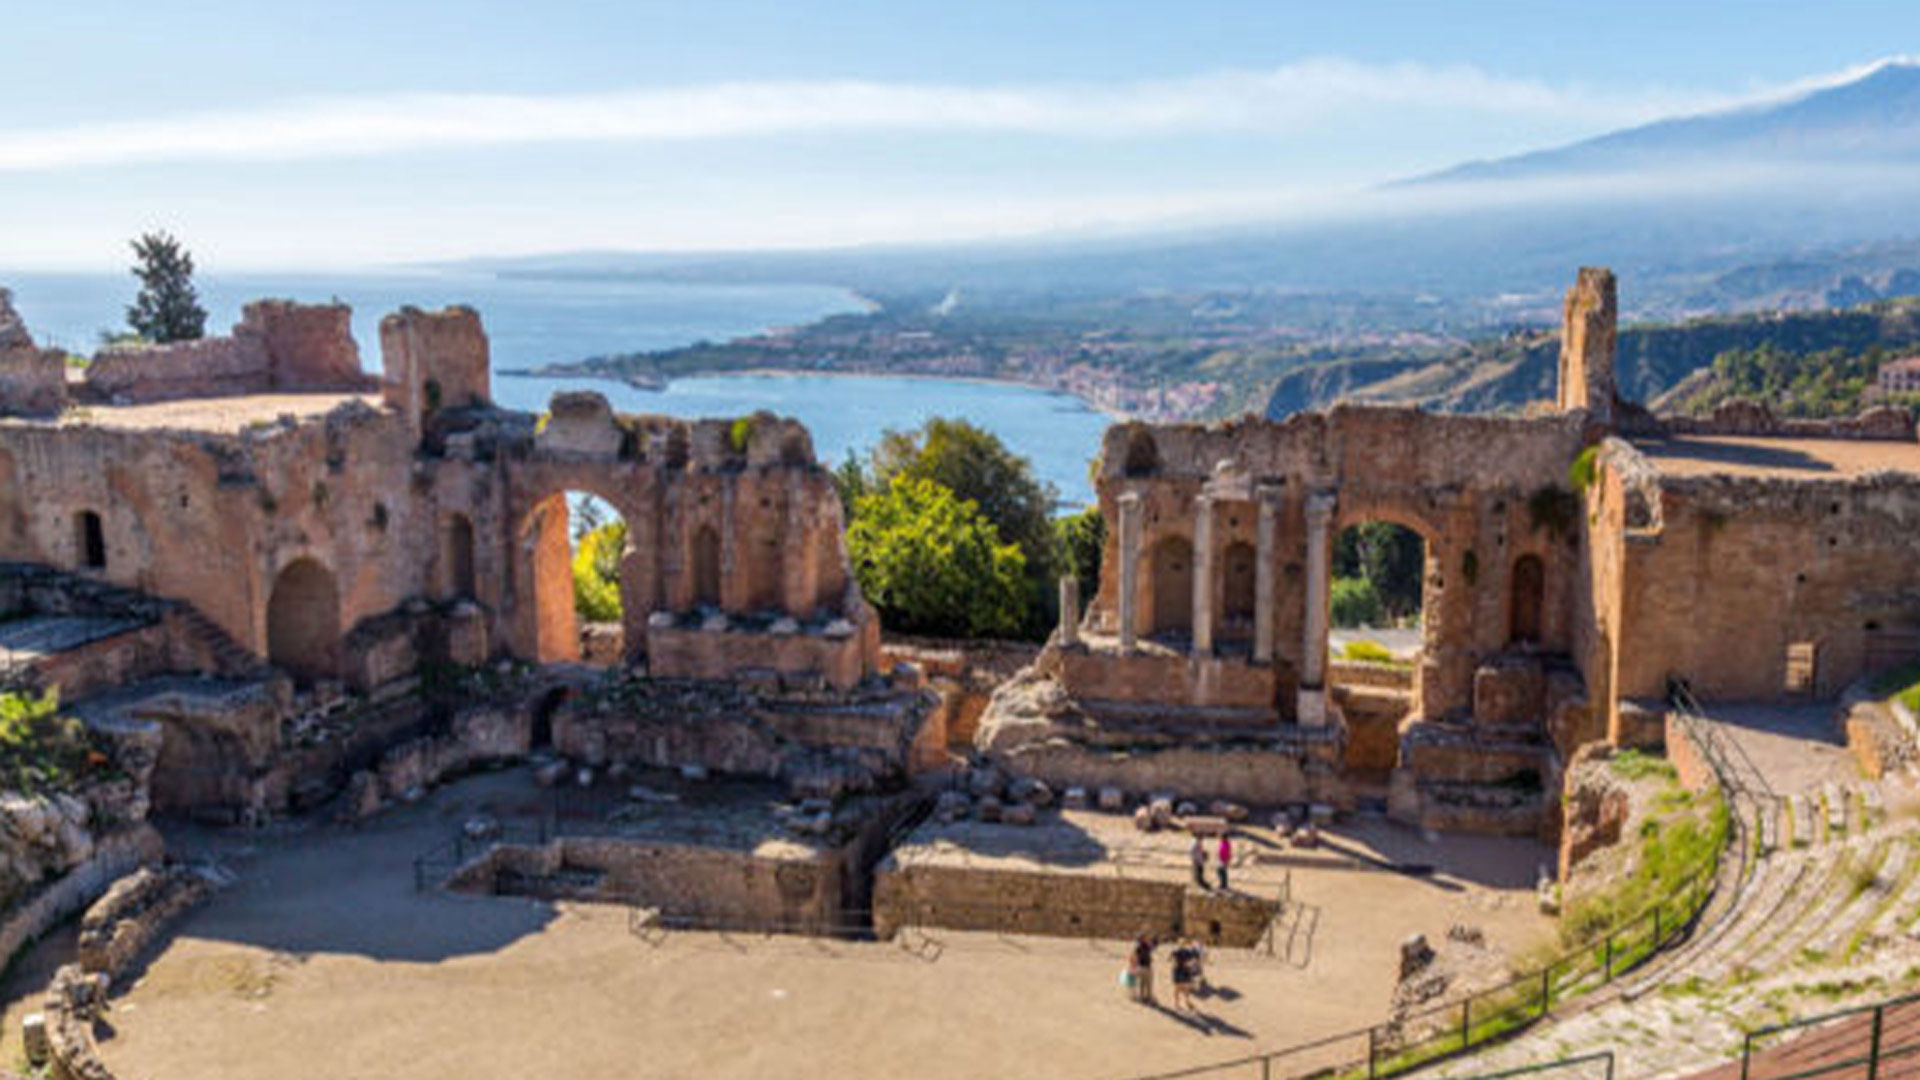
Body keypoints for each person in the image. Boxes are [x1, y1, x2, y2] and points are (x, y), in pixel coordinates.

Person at [1170, 939, 1199, 1010]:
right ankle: (1176, 1003)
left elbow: (1194, 958)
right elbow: (1170, 958)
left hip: (1185, 971)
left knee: (1186, 987)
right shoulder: (1176, 951)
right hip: (1178, 971)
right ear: (1179, 944)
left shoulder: (1187, 952)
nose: (1182, 944)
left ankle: (1187, 1002)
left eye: (1183, 943)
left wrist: (1190, 964)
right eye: (1181, 943)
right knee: (1177, 988)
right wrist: (1174, 963)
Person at [1130, 933, 1156, 1004]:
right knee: (1145, 983)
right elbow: (1134, 956)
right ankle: (1146, 997)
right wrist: (1133, 966)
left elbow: (1152, 948)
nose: (1148, 939)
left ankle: (1146, 997)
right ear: (1142, 939)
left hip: (1146, 966)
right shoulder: (1140, 947)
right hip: (1142, 967)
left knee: (1146, 983)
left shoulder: (1145, 946)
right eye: (1146, 938)